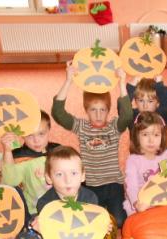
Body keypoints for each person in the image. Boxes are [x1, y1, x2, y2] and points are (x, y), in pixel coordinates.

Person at [51, 60, 132, 227]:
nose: (98, 114)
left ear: (108, 110)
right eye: (93, 110)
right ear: (86, 110)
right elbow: (58, 113)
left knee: (119, 222)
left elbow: (127, 116)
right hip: (90, 185)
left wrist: (122, 82)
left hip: (113, 183)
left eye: (103, 109)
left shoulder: (113, 127)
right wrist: (69, 80)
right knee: (90, 222)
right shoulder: (81, 126)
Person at [1, 110, 59, 215]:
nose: (36, 140)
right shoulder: (20, 157)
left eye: (41, 134)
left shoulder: (58, 152)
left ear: (49, 130)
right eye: (29, 135)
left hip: (59, 207)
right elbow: (11, 181)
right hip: (34, 211)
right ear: (22, 135)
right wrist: (8, 151)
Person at [123, 111, 167, 216]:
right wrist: (136, 203)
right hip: (141, 201)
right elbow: (131, 186)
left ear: (162, 136)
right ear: (137, 136)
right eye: (145, 134)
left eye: (156, 135)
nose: (151, 140)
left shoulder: (166, 155)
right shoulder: (133, 160)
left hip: (162, 199)